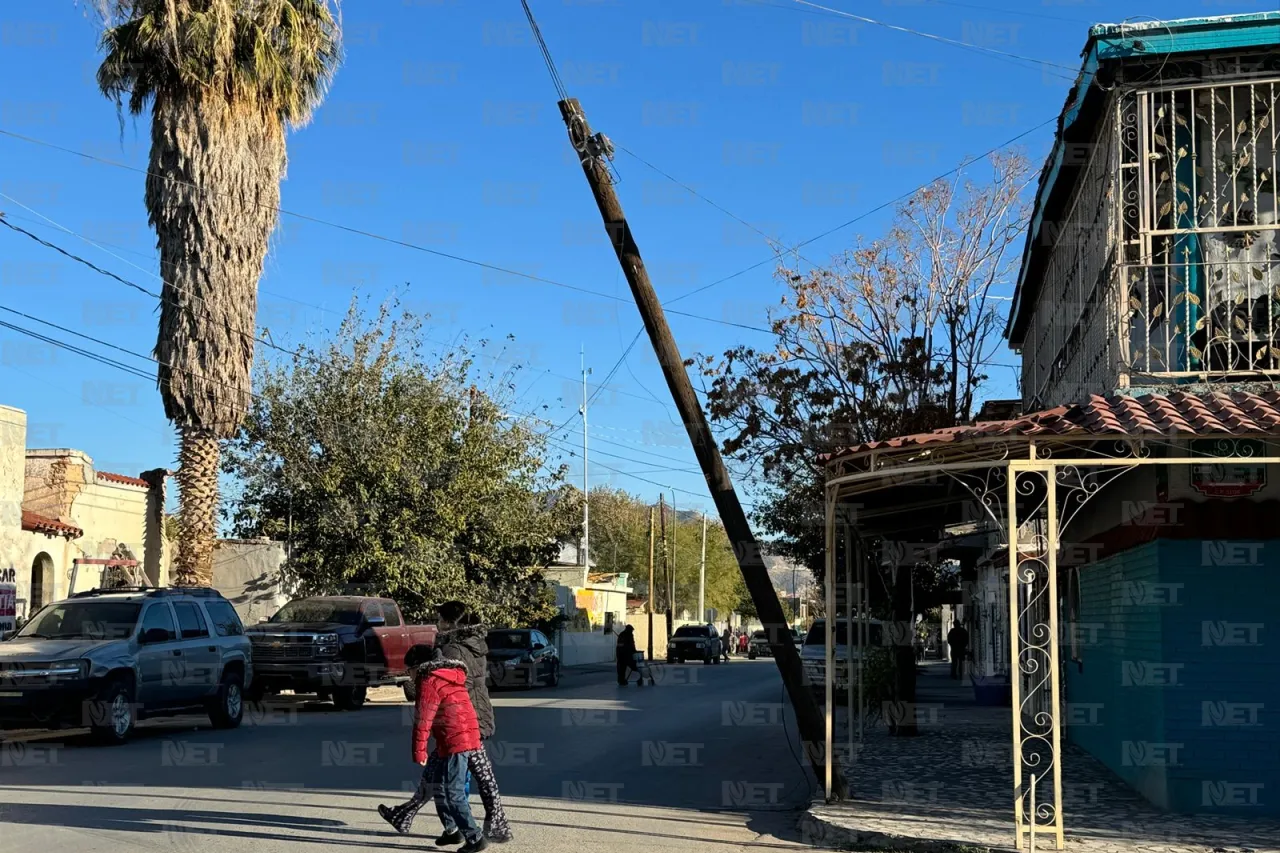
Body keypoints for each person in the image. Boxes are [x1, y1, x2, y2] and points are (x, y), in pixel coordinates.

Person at [378, 602, 511, 844]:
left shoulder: (452, 651)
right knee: (474, 777)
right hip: (474, 716)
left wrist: (421, 745)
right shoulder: (475, 644)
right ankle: (424, 820)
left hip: (459, 721)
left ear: (451, 622)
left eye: (440, 618)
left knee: (454, 783)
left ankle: (468, 831)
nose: (437, 623)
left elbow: (439, 695)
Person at [398, 645, 487, 852]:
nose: (408, 675)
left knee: (453, 793)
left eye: (408, 670)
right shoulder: (450, 675)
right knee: (439, 786)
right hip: (463, 738)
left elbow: (423, 720)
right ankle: (452, 831)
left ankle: (475, 838)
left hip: (456, 741)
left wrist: (419, 751)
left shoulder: (428, 681)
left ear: (417, 667)